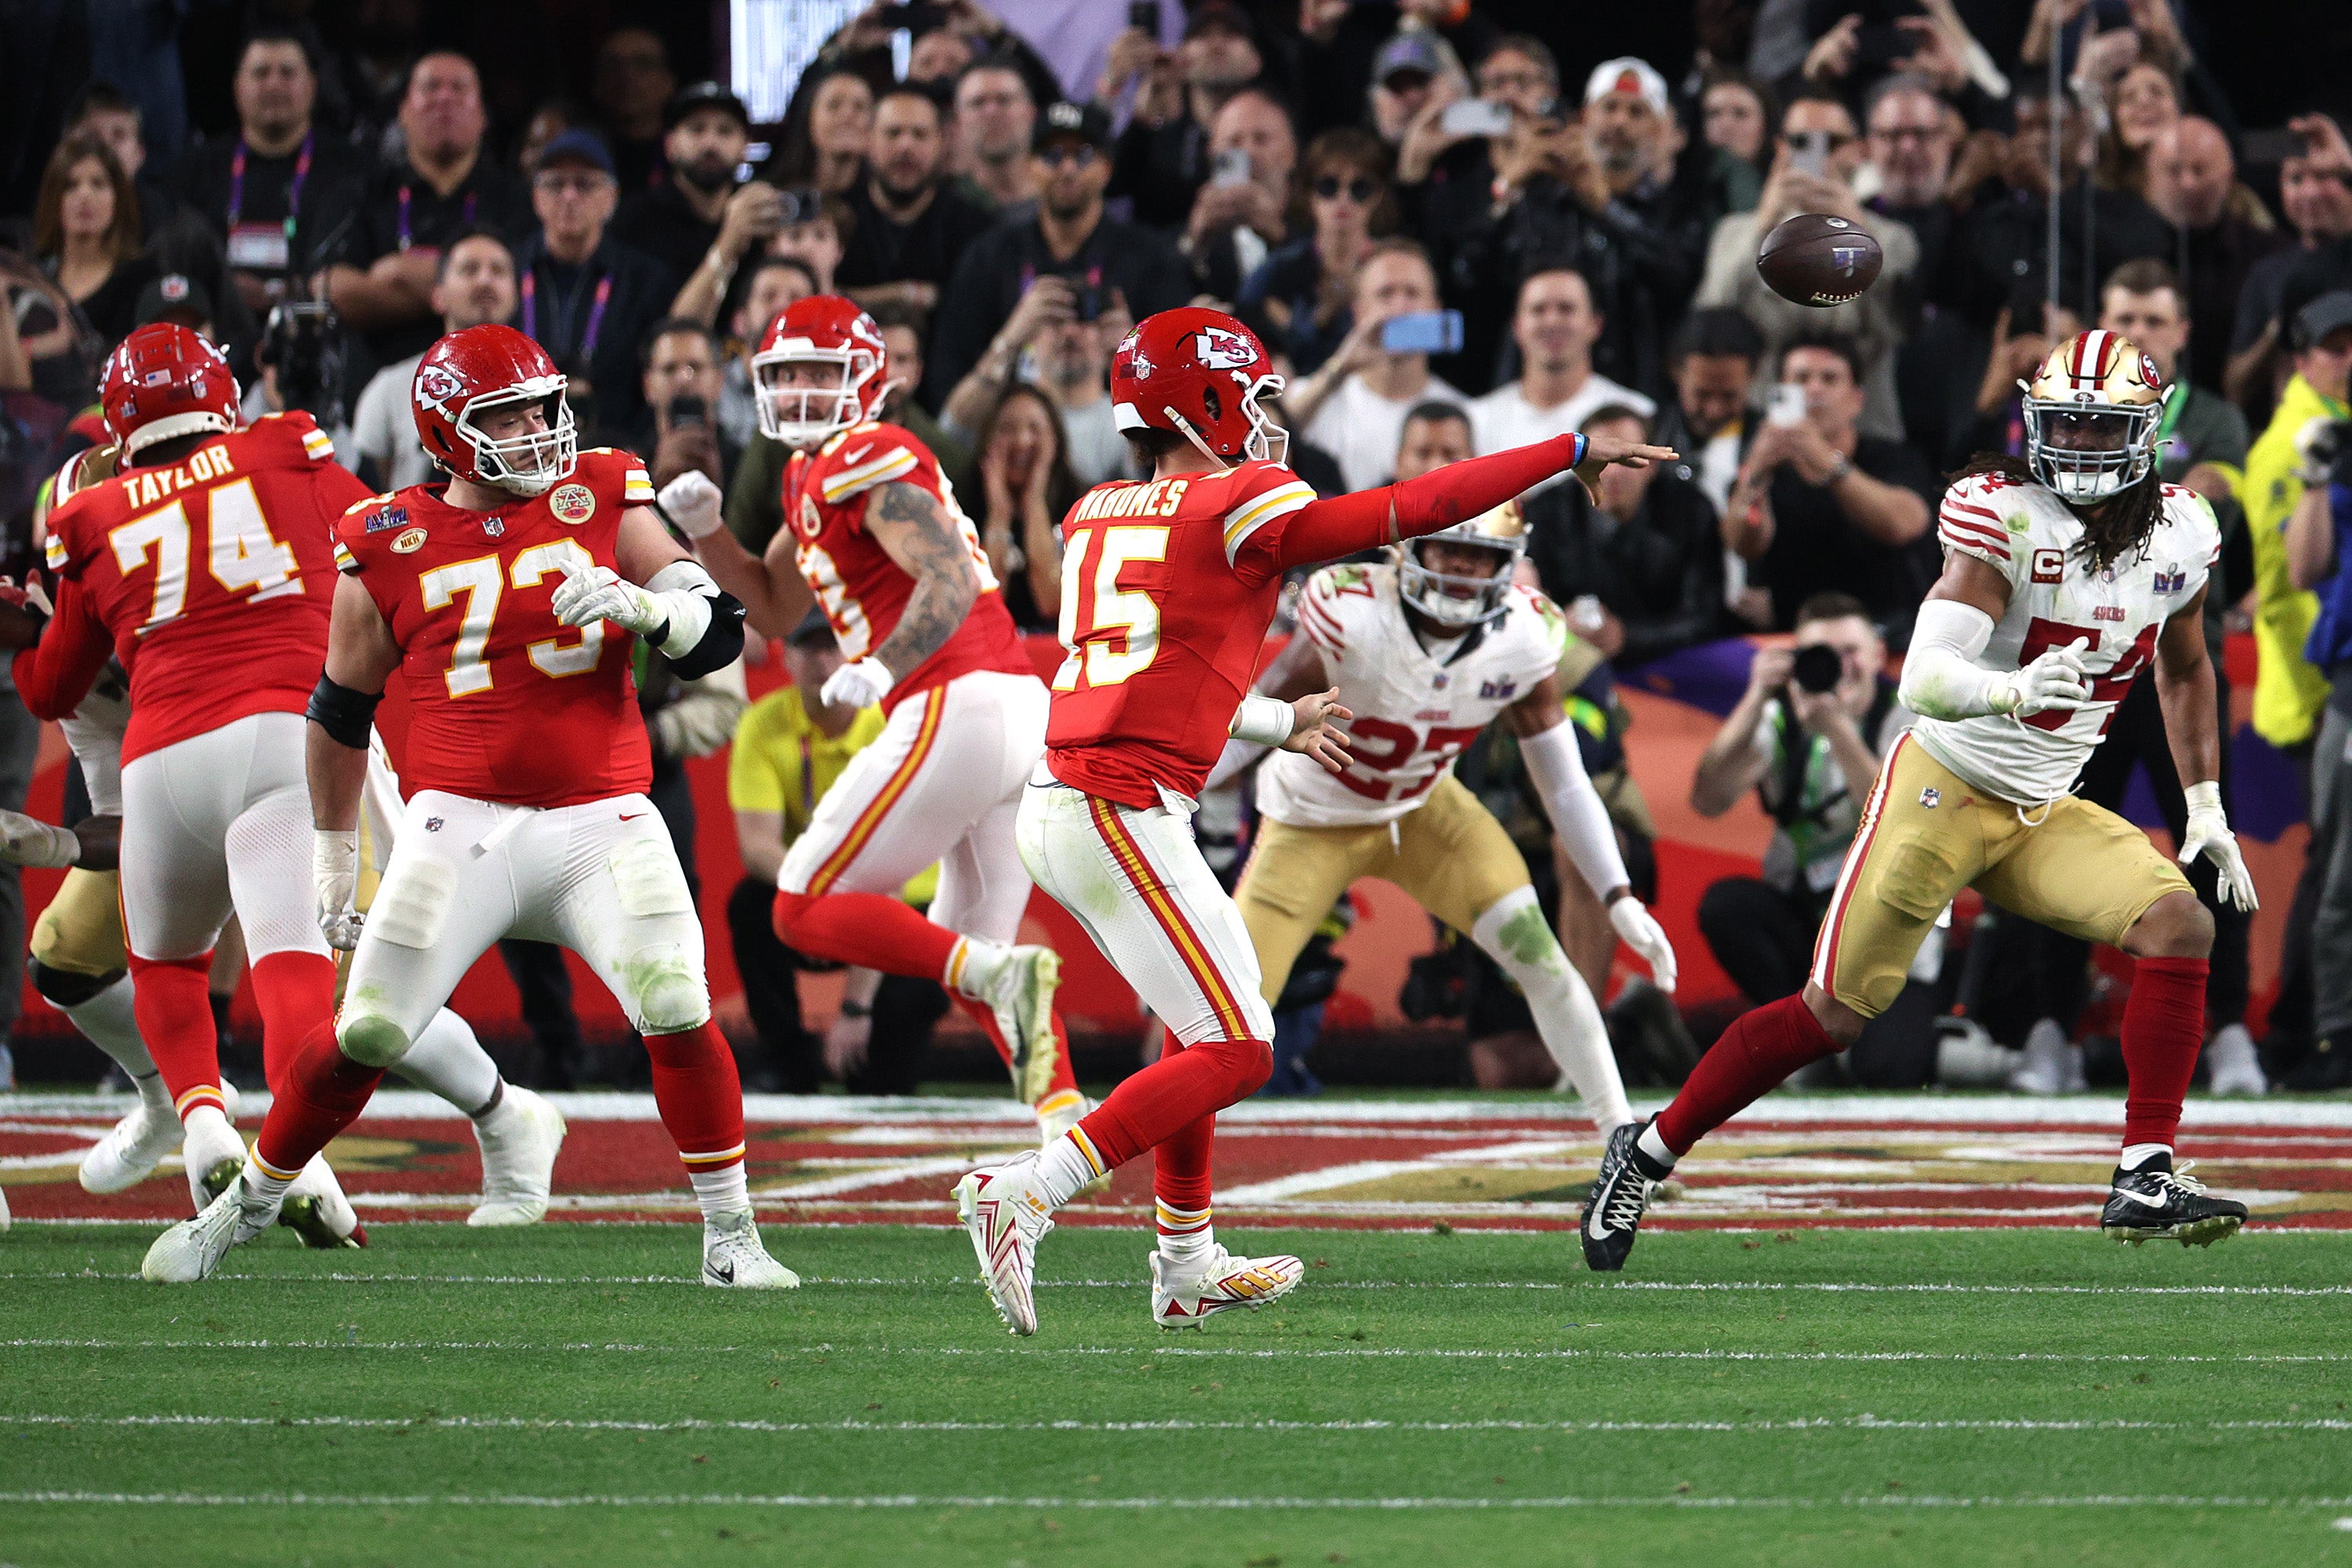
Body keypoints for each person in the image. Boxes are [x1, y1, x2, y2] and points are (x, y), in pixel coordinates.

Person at [948, 303, 1675, 1334]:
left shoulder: (1094, 510)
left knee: (1205, 1029)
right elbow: (1412, 506)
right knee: (1240, 1048)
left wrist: (1281, 715)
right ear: (1200, 402)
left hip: (1081, 798)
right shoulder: (1237, 502)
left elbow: (1147, 670)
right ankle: (1030, 1190)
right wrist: (1564, 452)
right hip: (1117, 803)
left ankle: (1187, 1263)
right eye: (1244, 399)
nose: (1259, 420)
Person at [1584, 329, 2259, 1270]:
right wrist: (2012, 691)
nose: (2079, 445)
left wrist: (2206, 806)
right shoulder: (2005, 517)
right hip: (1942, 786)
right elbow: (1927, 675)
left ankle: (2144, 1171)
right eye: (2063, 423)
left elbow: (2186, 671)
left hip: (2038, 805)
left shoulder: (2185, 531)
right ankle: (1648, 1149)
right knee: (1832, 1017)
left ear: (2148, 434)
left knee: (2181, 926)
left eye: (2102, 428)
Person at [140, 323, 789, 1288]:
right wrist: (329, 851)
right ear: (448, 434)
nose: (537, 430)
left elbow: (720, 634)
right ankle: (246, 1206)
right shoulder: (386, 537)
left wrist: (651, 611)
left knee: (677, 1002)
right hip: (460, 822)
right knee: (365, 1031)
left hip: (601, 814)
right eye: (508, 415)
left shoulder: (604, 488)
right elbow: (340, 710)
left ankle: (732, 1238)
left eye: (542, 406)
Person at [669, 296, 1089, 1145]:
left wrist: (882, 664)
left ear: (870, 377)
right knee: (977, 965)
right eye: (784, 372)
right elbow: (778, 607)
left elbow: (949, 579)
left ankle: (1005, 983)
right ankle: (1068, 1127)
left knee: (800, 903)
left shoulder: (865, 453)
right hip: (1007, 711)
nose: (799, 388)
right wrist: (708, 531)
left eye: (820, 372)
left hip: (954, 699)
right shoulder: (810, 474)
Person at [3, 325, 376, 1243]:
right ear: (223, 395)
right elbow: (381, 531)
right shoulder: (287, 445)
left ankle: (203, 1118)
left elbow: (52, 685)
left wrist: (25, 641)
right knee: (294, 960)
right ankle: (304, 1157)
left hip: (164, 757)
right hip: (288, 734)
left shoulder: (89, 515)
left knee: (163, 964)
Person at [1227, 498, 1674, 1126]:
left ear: (1509, 564)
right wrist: (1171, 798)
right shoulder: (1351, 609)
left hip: (1426, 809)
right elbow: (1247, 720)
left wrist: (1617, 893)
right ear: (1408, 548)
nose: (1465, 569)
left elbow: (1566, 784)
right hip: (1311, 822)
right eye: (1451, 549)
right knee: (1229, 1020)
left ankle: (1620, 1136)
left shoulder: (1524, 632)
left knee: (1541, 958)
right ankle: (1145, 1161)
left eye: (1483, 554)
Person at [1688, 593, 1930, 1087]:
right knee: (1727, 905)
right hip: (1809, 929)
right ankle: (1803, 1047)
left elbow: (1892, 818)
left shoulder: (1908, 716)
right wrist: (1755, 697)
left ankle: (1861, 1045)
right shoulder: (1782, 721)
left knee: (1887, 1071)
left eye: (1850, 651)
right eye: (1821, 654)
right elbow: (1707, 798)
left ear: (1879, 655)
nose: (1838, 667)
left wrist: (1837, 729)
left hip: (1890, 936)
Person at [727, 609, 948, 1094]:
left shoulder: (891, 730)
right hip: (822, 893)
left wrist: (855, 1009)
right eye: (809, 648)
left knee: (883, 1081)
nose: (822, 662)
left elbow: (887, 879)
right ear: (787, 658)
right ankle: (789, 1064)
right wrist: (825, 888)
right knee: (749, 905)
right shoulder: (763, 723)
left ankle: (876, 1062)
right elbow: (757, 849)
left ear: (856, 657)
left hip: (905, 903)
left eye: (833, 647)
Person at [925, 99, 1189, 407]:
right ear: (1029, 168)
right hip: (1012, 431)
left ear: (1107, 168)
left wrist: (1135, 356)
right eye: (1052, 156)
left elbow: (1184, 392)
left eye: (1084, 155)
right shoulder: (989, 256)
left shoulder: (1151, 258)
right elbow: (946, 389)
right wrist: (1012, 339)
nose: (1067, 169)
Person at [1694, 93, 1918, 441]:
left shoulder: (1892, 239)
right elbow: (1713, 328)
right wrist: (1764, 226)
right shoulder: (1734, 232)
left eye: (1833, 142)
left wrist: (1858, 229)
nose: (1819, 154)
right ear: (1780, 148)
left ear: (1859, 150)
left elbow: (1897, 327)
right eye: (1802, 142)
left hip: (1863, 428)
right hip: (1760, 421)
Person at [1722, 334, 1937, 642]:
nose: (1814, 389)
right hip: (1793, 636)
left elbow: (1904, 525)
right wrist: (1755, 473)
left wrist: (1828, 464)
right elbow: (1743, 543)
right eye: (1801, 378)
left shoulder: (1894, 458)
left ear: (1856, 400)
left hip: (1888, 635)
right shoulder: (1763, 466)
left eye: (1829, 379)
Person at [321, 53, 524, 370]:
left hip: (492, 379)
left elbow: (522, 287)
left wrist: (395, 274)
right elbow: (334, 289)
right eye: (430, 88)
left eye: (459, 88)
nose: (444, 98)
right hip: (378, 380)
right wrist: (462, 295)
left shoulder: (515, 198)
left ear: (483, 114)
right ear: (403, 112)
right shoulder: (365, 192)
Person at [176, 29, 365, 320]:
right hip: (218, 323)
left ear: (312, 86)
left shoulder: (353, 169)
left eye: (287, 73)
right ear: (238, 87)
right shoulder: (195, 170)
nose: (274, 84)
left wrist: (292, 290)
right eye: (261, 73)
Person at [1523, 405, 1725, 665]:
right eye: (1598, 460)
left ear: (1652, 465)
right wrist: (1557, 621)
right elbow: (1523, 606)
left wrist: (1627, 636)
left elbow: (1705, 616)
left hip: (1667, 667)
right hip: (1567, 660)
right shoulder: (1545, 512)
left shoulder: (1691, 512)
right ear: (1577, 467)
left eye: (1627, 459)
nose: (1613, 473)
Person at [515, 129, 678, 439]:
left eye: (585, 184)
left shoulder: (646, 280)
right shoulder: (507, 271)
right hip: (518, 443)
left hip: (619, 443)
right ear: (536, 198)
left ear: (612, 198)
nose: (569, 196)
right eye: (555, 184)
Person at [2245, 292, 2352, 760]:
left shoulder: (2341, 428)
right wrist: (2322, 694)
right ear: (2303, 363)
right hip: (2320, 692)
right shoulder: (2292, 448)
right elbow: (2283, 587)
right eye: (2337, 349)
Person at [1285, 240, 1471, 493]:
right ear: (1359, 311)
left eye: (1412, 293)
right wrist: (1339, 368)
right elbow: (1267, 438)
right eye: (1386, 293)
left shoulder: (1460, 412)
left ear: (1435, 309)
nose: (1400, 308)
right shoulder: (1317, 395)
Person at [349, 229, 517, 492]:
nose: (485, 280)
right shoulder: (390, 387)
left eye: (498, 271)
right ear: (438, 297)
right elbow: (369, 493)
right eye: (469, 270)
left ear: (515, 295)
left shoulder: (543, 385)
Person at [2143, 118, 2287, 396]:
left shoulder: (2271, 255)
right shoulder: (2116, 249)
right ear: (2149, 176)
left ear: (2229, 174)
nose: (2188, 183)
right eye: (2173, 171)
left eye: (2200, 170)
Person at [1236, 127, 1395, 377]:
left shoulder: (1397, 268)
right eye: (1328, 187)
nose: (1344, 199)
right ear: (1309, 194)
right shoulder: (1278, 273)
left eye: (1360, 188)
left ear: (1377, 197)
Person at [1469, 267, 1653, 467]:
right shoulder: (1477, 421)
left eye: (1566, 309)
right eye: (1538, 310)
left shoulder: (1635, 415)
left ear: (1595, 323)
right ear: (1517, 326)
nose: (1552, 321)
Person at [1105, 0, 1265, 231]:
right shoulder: (1159, 132)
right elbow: (1111, 186)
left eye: (1231, 34)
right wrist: (1142, 122)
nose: (1216, 44)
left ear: (1255, 61)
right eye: (1201, 36)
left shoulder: (1274, 128)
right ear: (1182, 57)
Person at [836, 83, 993, 317]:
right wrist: (905, 294)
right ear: (868, 140)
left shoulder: (975, 228)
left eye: (919, 134)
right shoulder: (836, 216)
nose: (905, 146)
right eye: (893, 133)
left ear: (941, 143)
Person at [615, 82, 757, 285]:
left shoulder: (758, 214)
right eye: (696, 129)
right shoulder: (635, 220)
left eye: (725, 131)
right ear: (670, 145)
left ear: (745, 146)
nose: (710, 143)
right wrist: (729, 241)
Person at [32, 132, 157, 350]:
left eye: (98, 184)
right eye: (70, 185)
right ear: (54, 199)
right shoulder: (33, 281)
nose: (85, 196)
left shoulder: (142, 281)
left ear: (118, 198)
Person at [974, 383, 1080, 630]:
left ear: (1055, 439)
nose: (1022, 441)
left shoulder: (1078, 501)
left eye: (1035, 428)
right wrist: (999, 514)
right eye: (1008, 429)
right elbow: (985, 603)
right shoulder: (961, 499)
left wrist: (1034, 501)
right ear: (988, 438)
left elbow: (1052, 603)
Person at [1181, 87, 1294, 303]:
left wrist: (1279, 236)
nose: (1248, 153)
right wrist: (1194, 242)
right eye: (1234, 141)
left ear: (1291, 152)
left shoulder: (1323, 214)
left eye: (1261, 140)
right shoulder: (1183, 240)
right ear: (1212, 155)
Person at [637, 317, 732, 488]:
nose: (684, 379)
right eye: (669, 369)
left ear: (719, 380)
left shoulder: (743, 462)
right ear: (647, 385)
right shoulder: (630, 465)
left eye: (696, 367)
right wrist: (653, 483)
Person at [590, 26, 675, 192]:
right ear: (597, 84)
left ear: (668, 82)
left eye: (643, 64)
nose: (627, 75)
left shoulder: (686, 158)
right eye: (613, 65)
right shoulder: (578, 157)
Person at [951, 60, 1040, 217]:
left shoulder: (1064, 196)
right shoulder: (944, 208)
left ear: (1031, 112)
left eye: (1004, 100)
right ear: (958, 121)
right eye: (978, 103)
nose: (991, 113)